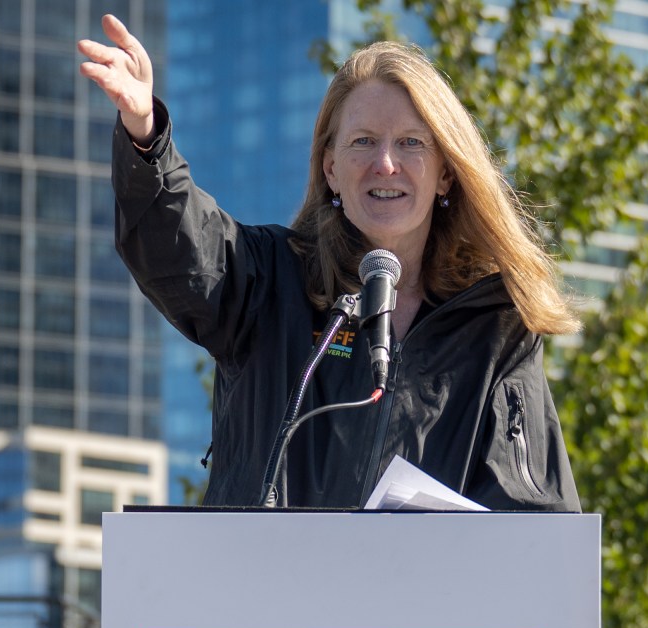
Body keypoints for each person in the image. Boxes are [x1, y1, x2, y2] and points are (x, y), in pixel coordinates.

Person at [78, 15, 582, 511]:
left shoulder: (496, 329)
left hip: (419, 594)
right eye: (363, 141)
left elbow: (532, 517)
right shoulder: (267, 281)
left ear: (446, 174)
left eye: (411, 142)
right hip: (261, 588)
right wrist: (146, 134)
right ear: (331, 169)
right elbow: (181, 244)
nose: (386, 163)